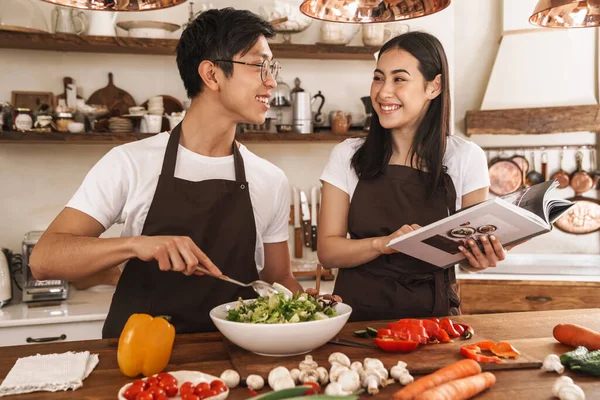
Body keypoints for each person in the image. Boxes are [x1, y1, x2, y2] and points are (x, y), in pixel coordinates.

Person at [29, 8, 303, 337]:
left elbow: (278, 280)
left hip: (235, 362)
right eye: (260, 65)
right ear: (212, 75)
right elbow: (44, 259)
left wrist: (315, 308)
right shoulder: (130, 163)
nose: (271, 81)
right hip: (139, 364)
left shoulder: (269, 179)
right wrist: (136, 246)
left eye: (272, 67)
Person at [317, 31, 510, 322]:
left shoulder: (465, 157)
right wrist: (383, 244)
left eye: (399, 79)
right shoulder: (347, 155)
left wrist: (480, 259)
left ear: (434, 87)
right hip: (357, 319)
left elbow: (467, 253)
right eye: (378, 77)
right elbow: (328, 251)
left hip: (434, 322)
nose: (383, 92)